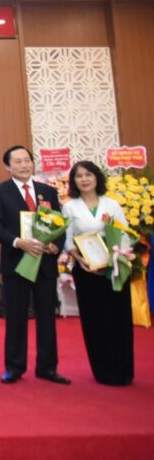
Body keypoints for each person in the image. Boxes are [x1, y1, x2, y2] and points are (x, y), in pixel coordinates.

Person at [0, 145, 69, 384]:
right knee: (16, 316)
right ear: (7, 166)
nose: (24, 165)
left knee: (47, 317)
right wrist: (18, 242)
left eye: (27, 160)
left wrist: (55, 245)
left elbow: (60, 224)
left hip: (45, 263)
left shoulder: (48, 191)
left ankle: (47, 367)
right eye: (18, 161)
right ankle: (14, 367)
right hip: (16, 262)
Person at [61, 160, 133, 386]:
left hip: (114, 269)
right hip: (87, 270)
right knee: (95, 321)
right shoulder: (70, 207)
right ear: (73, 181)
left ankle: (123, 369)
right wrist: (78, 257)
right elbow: (67, 239)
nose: (84, 179)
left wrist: (118, 255)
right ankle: (103, 371)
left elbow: (125, 233)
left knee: (119, 319)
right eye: (79, 176)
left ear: (96, 177)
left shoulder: (112, 204)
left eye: (88, 175)